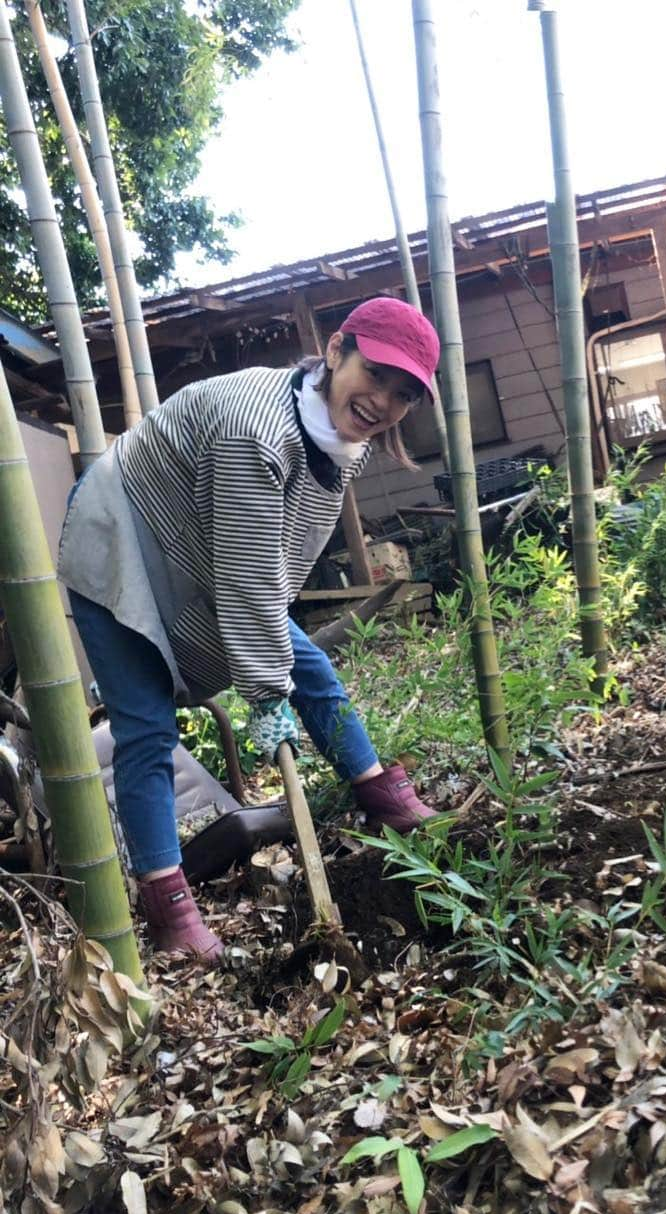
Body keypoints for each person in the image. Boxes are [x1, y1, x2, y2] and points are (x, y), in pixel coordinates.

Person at [57, 297, 440, 962]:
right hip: (121, 538)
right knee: (146, 728)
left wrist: (270, 666)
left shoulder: (337, 441)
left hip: (200, 550)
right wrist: (265, 690)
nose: (383, 401)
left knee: (308, 666)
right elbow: (246, 580)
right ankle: (169, 908)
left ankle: (382, 794)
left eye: (403, 394)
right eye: (376, 375)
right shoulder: (255, 433)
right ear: (336, 351)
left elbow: (270, 570)